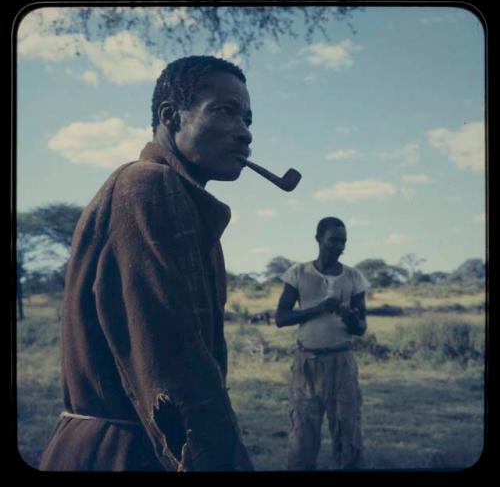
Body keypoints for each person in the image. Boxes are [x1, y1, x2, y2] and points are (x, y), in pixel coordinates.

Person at [39, 56, 254, 472]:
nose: (245, 133)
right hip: (127, 453)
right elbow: (174, 363)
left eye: (248, 119)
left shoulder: (179, 198)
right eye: (225, 112)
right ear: (170, 117)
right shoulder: (151, 186)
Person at [275, 217, 369, 470]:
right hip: (307, 363)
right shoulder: (298, 273)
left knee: (347, 430)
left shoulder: (353, 277)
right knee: (303, 433)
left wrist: (351, 319)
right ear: (318, 239)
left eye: (343, 242)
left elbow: (361, 328)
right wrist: (318, 309)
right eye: (333, 240)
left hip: (342, 362)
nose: (339, 247)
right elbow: (281, 318)